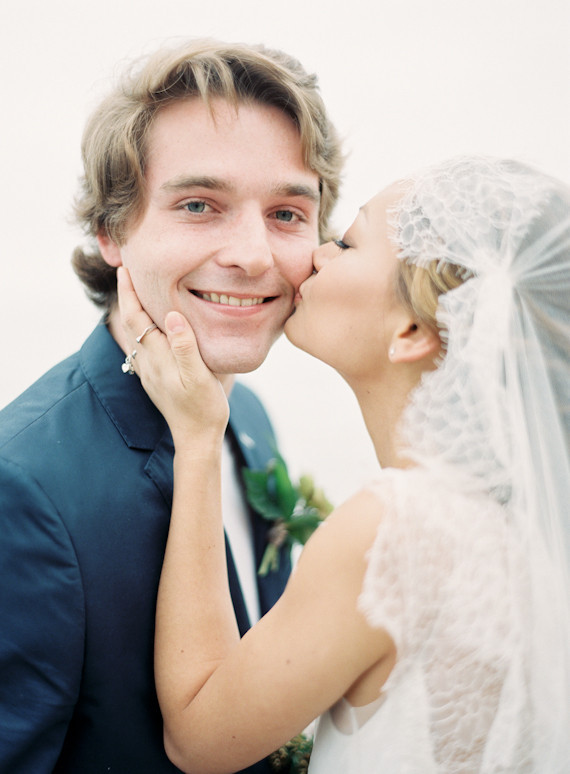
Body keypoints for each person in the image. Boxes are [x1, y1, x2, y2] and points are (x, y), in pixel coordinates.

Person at [119, 155, 570, 772]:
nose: (318, 254)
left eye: (350, 244)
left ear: (411, 330)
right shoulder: (523, 521)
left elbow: (198, 737)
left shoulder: (398, 531)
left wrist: (197, 439)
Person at [0, 39, 342, 773]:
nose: (253, 255)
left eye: (287, 213)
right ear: (112, 230)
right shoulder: (21, 487)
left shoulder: (249, 419)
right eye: (198, 206)